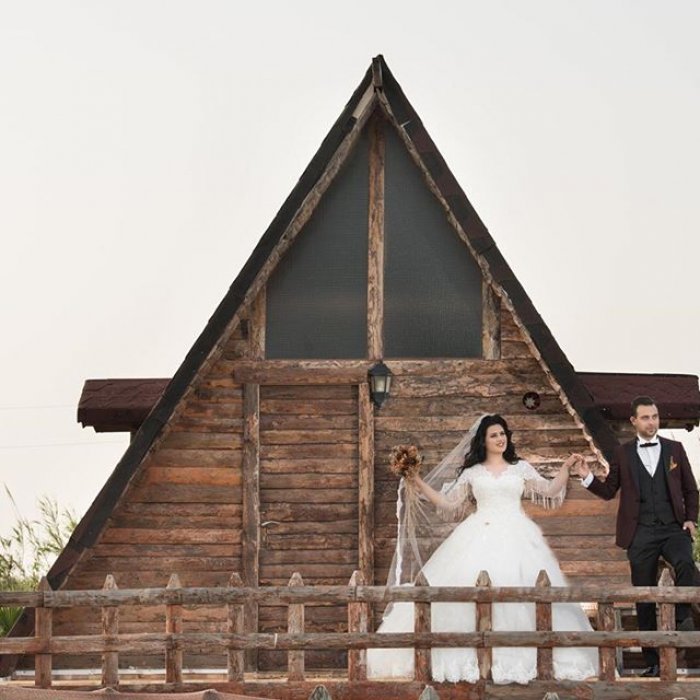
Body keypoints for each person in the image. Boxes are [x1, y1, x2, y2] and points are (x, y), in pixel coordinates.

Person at [367, 414, 599, 684]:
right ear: (484, 441)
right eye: (494, 435)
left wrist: (566, 467)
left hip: (518, 536)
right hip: (479, 532)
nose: (500, 439)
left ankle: (524, 659)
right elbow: (447, 503)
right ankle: (470, 658)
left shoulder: (520, 468)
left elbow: (549, 489)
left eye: (503, 434)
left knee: (525, 592)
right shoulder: (473, 473)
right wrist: (417, 480)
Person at [574, 395, 698, 677]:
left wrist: (690, 519)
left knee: (685, 562)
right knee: (644, 597)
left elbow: (691, 489)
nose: (651, 422)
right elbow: (609, 491)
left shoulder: (675, 449)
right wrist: (587, 476)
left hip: (672, 527)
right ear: (634, 421)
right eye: (645, 417)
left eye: (654, 417)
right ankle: (652, 662)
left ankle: (683, 618)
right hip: (640, 532)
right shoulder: (623, 453)